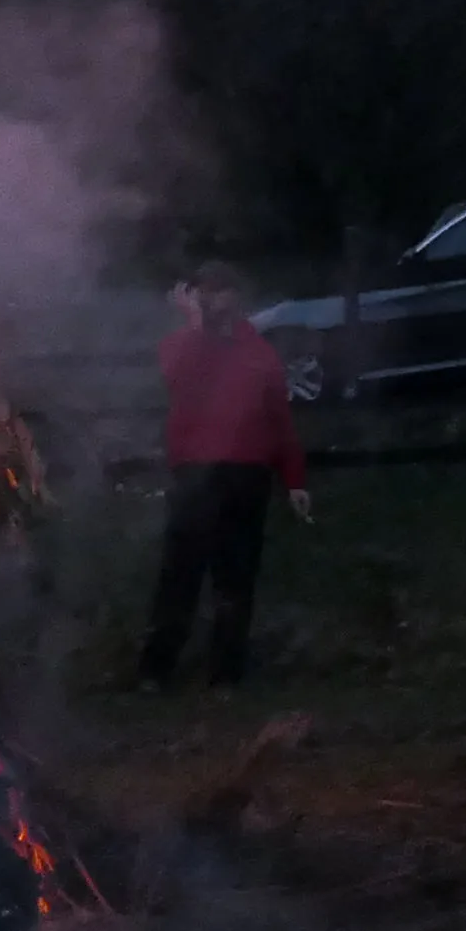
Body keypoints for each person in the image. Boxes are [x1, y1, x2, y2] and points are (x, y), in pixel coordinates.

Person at [142, 262, 311, 689]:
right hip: (196, 475)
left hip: (247, 477)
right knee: (181, 575)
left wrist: (294, 481)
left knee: (236, 579)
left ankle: (226, 672)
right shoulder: (180, 344)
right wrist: (195, 325)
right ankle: (156, 670)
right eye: (210, 291)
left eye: (226, 290)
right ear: (195, 297)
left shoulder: (259, 352)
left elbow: (280, 421)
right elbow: (177, 376)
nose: (220, 299)